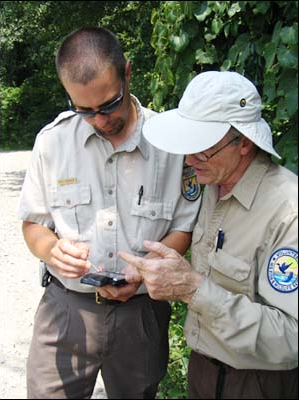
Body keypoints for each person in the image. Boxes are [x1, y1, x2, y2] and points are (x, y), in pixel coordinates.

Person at [16, 27, 201, 399]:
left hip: (141, 314)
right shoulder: (52, 142)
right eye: (84, 110)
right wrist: (51, 249)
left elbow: (184, 227)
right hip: (66, 310)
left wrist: (146, 267)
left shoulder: (170, 144)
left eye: (109, 104)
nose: (100, 120)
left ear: (127, 73)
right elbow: (33, 224)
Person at [119, 71, 298, 399]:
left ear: (244, 142)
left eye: (202, 149)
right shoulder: (212, 185)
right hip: (203, 370)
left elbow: (291, 338)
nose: (188, 160)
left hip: (260, 384)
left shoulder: (289, 211)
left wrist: (193, 289)